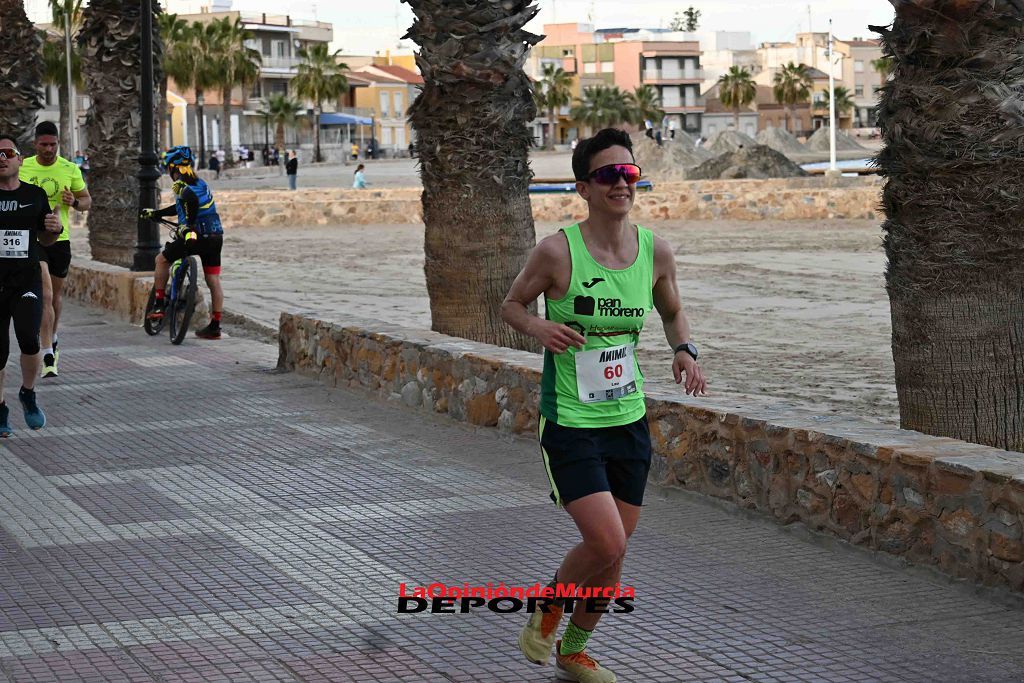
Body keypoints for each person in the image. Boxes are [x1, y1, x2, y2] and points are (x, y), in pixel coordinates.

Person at [501, 128, 708, 683]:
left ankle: (575, 649)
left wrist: (685, 351)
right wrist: (539, 326)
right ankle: (547, 611)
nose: (621, 183)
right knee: (605, 539)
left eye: (629, 173)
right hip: (571, 421)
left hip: (627, 420)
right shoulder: (557, 251)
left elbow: (671, 313)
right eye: (608, 175)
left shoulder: (655, 250)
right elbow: (512, 304)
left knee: (615, 557)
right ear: (584, 188)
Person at [0, 133, 63, 434]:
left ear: (19, 160)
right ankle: (0, 409)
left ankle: (28, 392)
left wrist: (55, 228)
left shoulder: (35, 195)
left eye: (8, 153)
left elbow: (45, 239)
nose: (2, 158)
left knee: (28, 339)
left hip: (26, 279)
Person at [19, 121, 92, 379]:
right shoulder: (23, 167)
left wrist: (75, 202)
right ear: (35, 144)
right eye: (44, 144)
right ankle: (48, 352)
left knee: (57, 298)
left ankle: (53, 336)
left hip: (61, 239)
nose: (49, 149)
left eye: (53, 144)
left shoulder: (69, 168)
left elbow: (86, 201)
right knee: (46, 294)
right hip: (32, 239)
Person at [140, 146, 225, 340]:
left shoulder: (179, 185)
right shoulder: (201, 183)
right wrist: (157, 213)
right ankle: (215, 326)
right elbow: (182, 205)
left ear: (172, 167)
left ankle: (159, 304)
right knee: (213, 280)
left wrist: (189, 227)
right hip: (215, 235)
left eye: (168, 167)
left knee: (161, 260)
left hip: (194, 235)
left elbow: (190, 200)